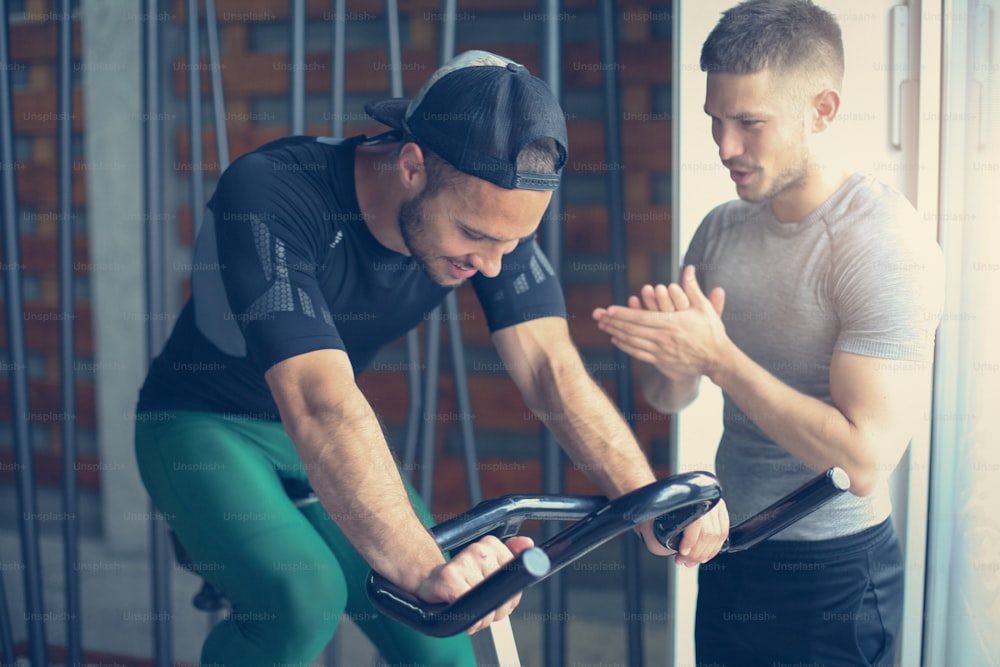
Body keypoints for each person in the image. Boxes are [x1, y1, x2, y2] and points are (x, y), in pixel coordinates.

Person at [133, 50, 728, 667]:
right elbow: (318, 400)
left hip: (311, 438)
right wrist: (424, 569)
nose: (494, 265)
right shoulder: (273, 191)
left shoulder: (489, 217)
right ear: (412, 166)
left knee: (443, 640)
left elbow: (551, 368)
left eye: (514, 242)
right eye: (475, 236)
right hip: (199, 423)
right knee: (300, 599)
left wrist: (650, 503)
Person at [592, 2, 944, 665]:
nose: (725, 148)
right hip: (732, 551)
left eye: (749, 124)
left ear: (823, 110)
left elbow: (862, 462)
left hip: (833, 576)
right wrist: (673, 358)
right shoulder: (721, 228)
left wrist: (718, 358)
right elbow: (671, 398)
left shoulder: (882, 244)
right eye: (716, 122)